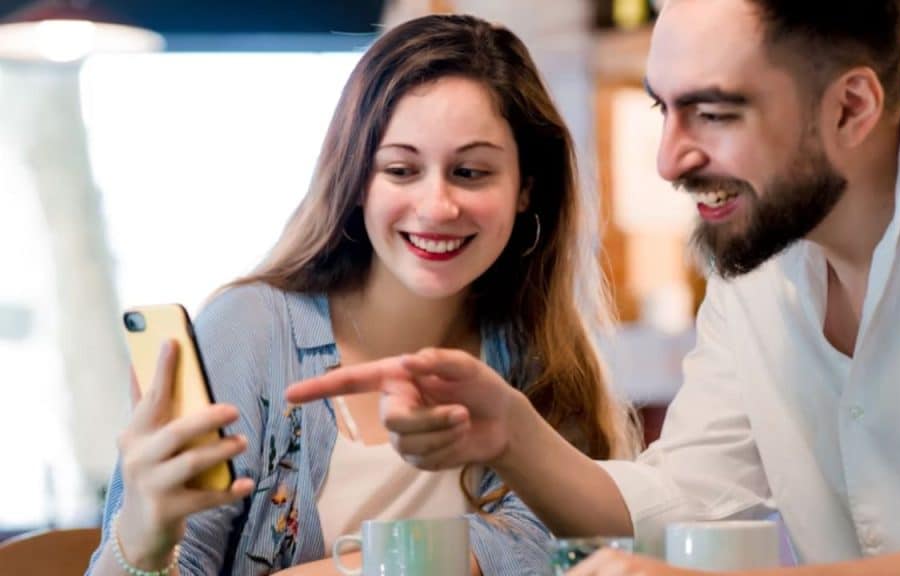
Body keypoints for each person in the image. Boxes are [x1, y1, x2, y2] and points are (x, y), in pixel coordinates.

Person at [287, 0, 900, 575]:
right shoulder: (759, 266)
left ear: (851, 108)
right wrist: (511, 434)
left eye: (713, 113)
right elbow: (684, 499)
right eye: (660, 109)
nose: (670, 160)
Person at [87, 13, 636, 576]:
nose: (436, 206)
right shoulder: (251, 330)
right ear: (356, 182)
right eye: (401, 169)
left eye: (471, 172)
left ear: (526, 190)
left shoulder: (545, 363)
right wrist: (142, 542)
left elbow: (562, 554)